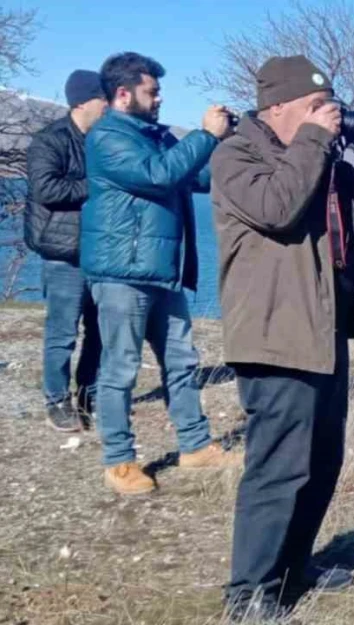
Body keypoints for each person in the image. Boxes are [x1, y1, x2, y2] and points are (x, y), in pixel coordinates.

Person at [209, 55, 354, 621]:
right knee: (278, 467)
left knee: (322, 459)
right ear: (276, 108)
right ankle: (248, 593)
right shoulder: (236, 155)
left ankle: (292, 569)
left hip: (323, 327)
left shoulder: (315, 151)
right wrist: (317, 138)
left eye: (329, 105)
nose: (328, 115)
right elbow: (278, 208)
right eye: (315, 107)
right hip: (274, 331)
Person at [81, 52, 238, 496]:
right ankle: (118, 461)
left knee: (182, 361)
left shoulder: (156, 135)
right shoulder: (108, 137)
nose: (160, 98)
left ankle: (195, 446)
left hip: (160, 271)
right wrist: (205, 135)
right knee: (120, 368)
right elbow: (157, 175)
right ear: (123, 94)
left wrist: (225, 142)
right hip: (121, 274)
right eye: (152, 91)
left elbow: (199, 177)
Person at [25, 70, 107, 432]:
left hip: (101, 249)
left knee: (100, 330)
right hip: (62, 252)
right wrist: (99, 185)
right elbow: (47, 190)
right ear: (82, 102)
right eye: (103, 99)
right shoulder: (49, 141)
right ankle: (56, 400)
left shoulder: (105, 139)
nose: (110, 105)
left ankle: (89, 396)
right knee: (62, 333)